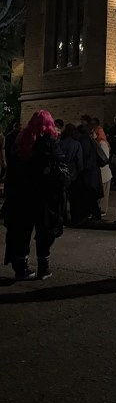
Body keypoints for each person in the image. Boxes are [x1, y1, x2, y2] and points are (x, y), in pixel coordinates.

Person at [3, 110, 70, 280]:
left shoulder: (19, 141)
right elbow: (60, 170)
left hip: (22, 194)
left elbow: (12, 169)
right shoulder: (49, 143)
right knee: (45, 232)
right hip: (45, 196)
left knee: (21, 231)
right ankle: (43, 268)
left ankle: (21, 268)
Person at [75, 116, 104, 222]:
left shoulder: (85, 139)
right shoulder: (90, 139)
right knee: (91, 195)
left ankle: (92, 215)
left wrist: (81, 168)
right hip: (92, 171)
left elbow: (85, 156)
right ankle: (92, 215)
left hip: (89, 172)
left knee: (89, 194)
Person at [59, 124, 84, 224]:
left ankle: (63, 215)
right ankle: (73, 216)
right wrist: (80, 171)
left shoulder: (60, 143)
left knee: (62, 194)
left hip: (61, 170)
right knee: (72, 195)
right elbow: (79, 160)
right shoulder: (76, 144)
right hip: (73, 171)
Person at [92, 119, 113, 217]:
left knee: (103, 194)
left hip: (104, 173)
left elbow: (104, 159)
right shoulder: (99, 143)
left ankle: (102, 210)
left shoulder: (102, 144)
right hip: (102, 173)